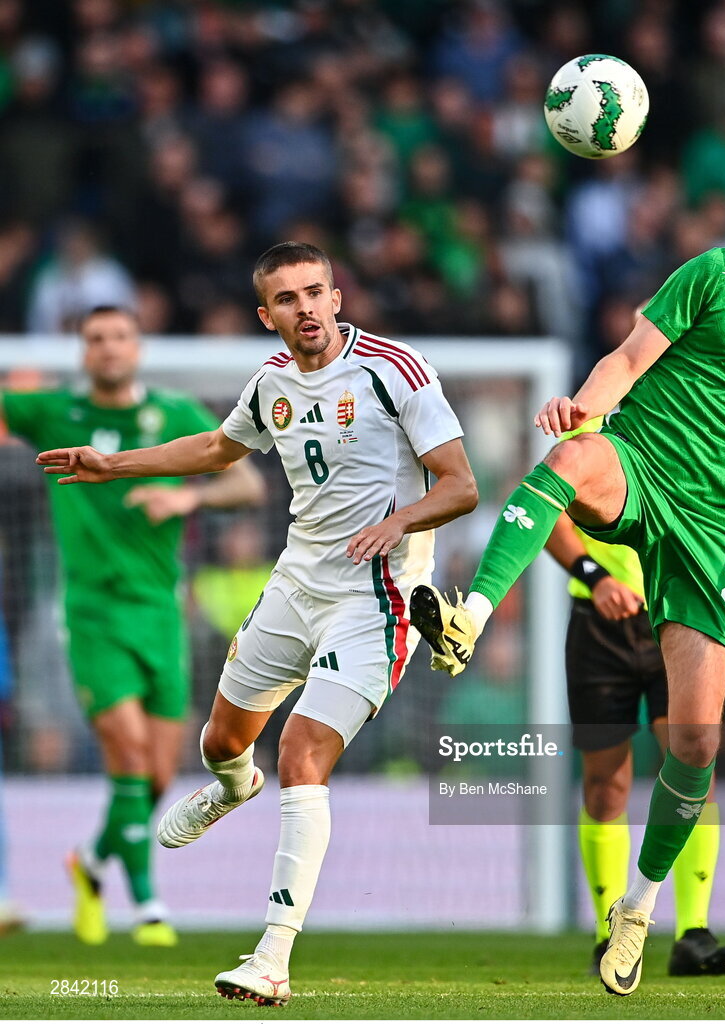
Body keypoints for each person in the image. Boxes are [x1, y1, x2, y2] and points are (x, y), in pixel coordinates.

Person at [410, 167, 725, 994]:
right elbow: (627, 357)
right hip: (635, 463)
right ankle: (470, 614)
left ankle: (638, 909)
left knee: (694, 748)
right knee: (565, 458)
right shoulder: (719, 273)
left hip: (710, 531)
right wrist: (584, 409)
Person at [36, 242, 477, 1006]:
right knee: (219, 745)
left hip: (377, 598)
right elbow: (215, 449)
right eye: (287, 298)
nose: (304, 308)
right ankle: (233, 788)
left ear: (337, 298)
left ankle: (270, 959)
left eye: (315, 293)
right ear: (264, 314)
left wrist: (397, 523)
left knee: (303, 754)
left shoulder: (394, 369)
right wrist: (114, 465)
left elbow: (461, 485)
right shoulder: (270, 382)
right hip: (293, 586)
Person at [1, 305, 265, 946]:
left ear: (138, 348)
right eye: (95, 338)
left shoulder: (174, 416)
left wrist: (187, 495)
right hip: (91, 612)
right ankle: (149, 905)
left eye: (120, 336)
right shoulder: (52, 411)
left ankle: (90, 865)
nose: (109, 348)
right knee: (125, 751)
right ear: (83, 352)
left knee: (156, 772)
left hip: (159, 612)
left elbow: (248, 487)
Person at [546, 493, 725, 976]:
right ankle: (608, 935)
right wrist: (594, 577)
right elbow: (542, 512)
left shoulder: (685, 426)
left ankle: (693, 931)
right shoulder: (577, 421)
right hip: (599, 624)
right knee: (606, 785)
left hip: (679, 614)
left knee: (694, 766)